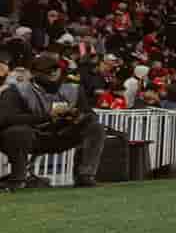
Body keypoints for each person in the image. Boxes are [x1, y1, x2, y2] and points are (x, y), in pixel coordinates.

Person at [0, 52, 106, 190]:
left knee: (95, 127)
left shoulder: (73, 88)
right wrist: (47, 116)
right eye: (48, 70)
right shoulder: (16, 91)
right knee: (18, 132)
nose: (53, 73)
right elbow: (5, 118)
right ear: (34, 73)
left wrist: (78, 117)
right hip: (31, 136)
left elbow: (90, 114)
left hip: (61, 133)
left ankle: (85, 176)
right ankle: (18, 178)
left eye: (56, 69)